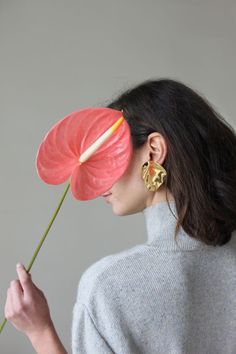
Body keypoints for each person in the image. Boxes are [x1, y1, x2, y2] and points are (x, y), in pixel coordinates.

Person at [4, 78, 236, 353]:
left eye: (109, 155)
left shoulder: (109, 285)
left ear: (154, 150)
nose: (99, 179)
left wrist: (40, 332)